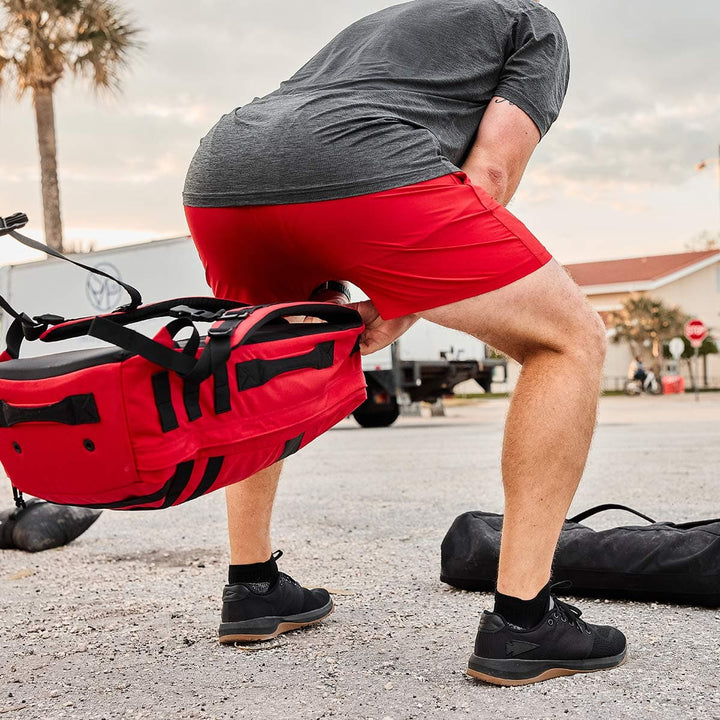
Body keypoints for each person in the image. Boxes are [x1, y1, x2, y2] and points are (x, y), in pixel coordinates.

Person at [183, 0, 626, 686]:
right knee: (569, 339)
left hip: (223, 167)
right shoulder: (531, 22)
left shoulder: (387, 23)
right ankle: (524, 621)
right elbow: (489, 177)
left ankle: (252, 586)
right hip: (351, 162)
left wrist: (388, 297)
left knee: (258, 357)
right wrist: (403, 303)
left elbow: (303, 134)